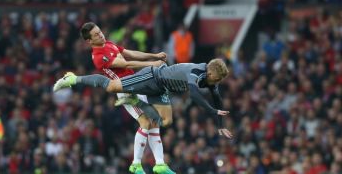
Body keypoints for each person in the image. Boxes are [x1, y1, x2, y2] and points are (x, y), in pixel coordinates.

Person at [78, 22, 175, 174]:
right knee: (145, 121)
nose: (101, 35)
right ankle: (135, 164)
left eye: (100, 31)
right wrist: (152, 64)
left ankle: (160, 164)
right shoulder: (98, 57)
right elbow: (126, 63)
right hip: (125, 89)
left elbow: (130, 54)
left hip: (137, 84)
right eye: (96, 35)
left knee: (155, 121)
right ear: (89, 41)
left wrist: (153, 55)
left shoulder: (108, 44)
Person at [54, 58, 233, 138]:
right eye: (216, 79)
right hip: (152, 77)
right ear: (210, 72)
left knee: (167, 121)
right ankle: (73, 78)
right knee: (111, 86)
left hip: (161, 88)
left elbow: (218, 100)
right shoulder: (197, 71)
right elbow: (194, 94)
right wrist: (212, 110)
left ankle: (134, 101)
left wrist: (220, 126)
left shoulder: (210, 80)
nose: (216, 83)